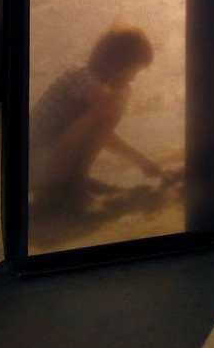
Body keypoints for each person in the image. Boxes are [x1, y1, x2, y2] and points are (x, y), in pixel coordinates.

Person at [29, 24, 161, 210]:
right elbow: (105, 111)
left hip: (48, 162)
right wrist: (121, 95)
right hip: (33, 165)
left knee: (105, 108)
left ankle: (73, 179)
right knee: (110, 106)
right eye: (134, 71)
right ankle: (76, 180)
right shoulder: (83, 75)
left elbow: (101, 134)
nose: (132, 79)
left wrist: (141, 160)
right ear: (118, 64)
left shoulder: (95, 81)